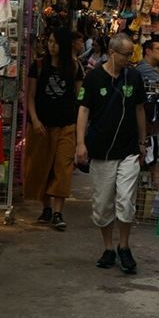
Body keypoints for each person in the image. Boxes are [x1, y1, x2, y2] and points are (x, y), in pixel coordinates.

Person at [76, 32, 147, 274]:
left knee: (125, 200)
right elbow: (83, 111)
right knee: (103, 204)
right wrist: (80, 144)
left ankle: (124, 247)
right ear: (113, 53)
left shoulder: (135, 78)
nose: (130, 59)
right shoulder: (94, 78)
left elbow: (139, 109)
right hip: (101, 150)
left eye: (132, 54)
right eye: (126, 55)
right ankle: (108, 248)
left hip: (128, 150)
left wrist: (142, 141)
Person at [24, 27, 84, 230]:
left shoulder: (75, 68)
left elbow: (79, 100)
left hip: (66, 125)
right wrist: (35, 119)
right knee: (42, 166)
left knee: (63, 168)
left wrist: (78, 129)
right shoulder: (38, 65)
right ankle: (46, 208)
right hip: (41, 126)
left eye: (56, 42)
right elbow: (30, 96)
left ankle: (58, 212)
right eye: (50, 41)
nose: (52, 46)